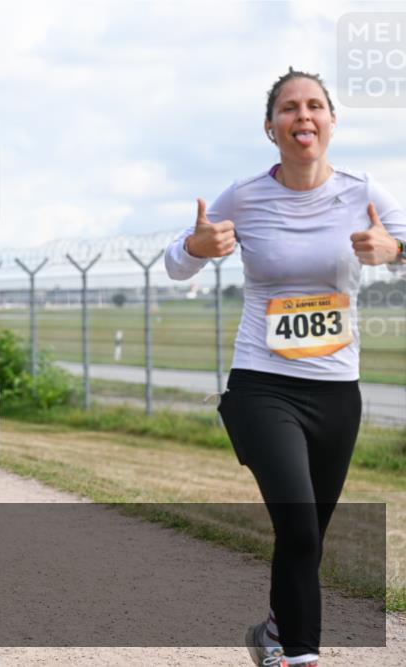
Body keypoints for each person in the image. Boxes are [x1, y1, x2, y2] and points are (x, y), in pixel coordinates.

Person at [164, 68, 406, 667]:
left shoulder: (365, 191)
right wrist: (197, 247)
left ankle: (274, 629)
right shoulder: (245, 195)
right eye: (290, 108)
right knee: (298, 528)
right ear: (270, 127)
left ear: (331, 122)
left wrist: (396, 252)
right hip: (261, 386)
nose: (303, 116)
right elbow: (175, 262)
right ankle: (300, 654)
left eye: (315, 105)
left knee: (309, 540)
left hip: (336, 393)